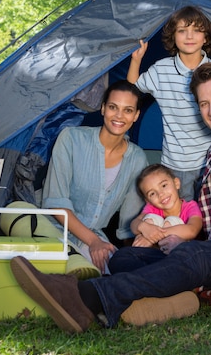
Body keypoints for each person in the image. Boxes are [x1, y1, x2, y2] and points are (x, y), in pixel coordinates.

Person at [9, 62, 211, 333]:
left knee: (192, 253)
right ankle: (180, 298)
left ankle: (89, 297)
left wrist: (200, 247)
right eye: (204, 104)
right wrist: (168, 237)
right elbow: (203, 222)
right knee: (126, 257)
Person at [127, 5, 211, 201]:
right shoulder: (161, 70)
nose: (189, 36)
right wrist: (136, 60)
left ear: (206, 37)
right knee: (179, 218)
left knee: (209, 216)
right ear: (173, 37)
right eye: (182, 30)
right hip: (173, 164)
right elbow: (133, 87)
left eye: (197, 30)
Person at [41, 80, 148, 274]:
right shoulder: (71, 138)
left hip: (95, 239)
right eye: (113, 107)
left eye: (128, 110)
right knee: (74, 270)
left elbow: (129, 220)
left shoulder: (138, 158)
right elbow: (56, 204)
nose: (119, 116)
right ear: (103, 108)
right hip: (49, 228)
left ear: (136, 116)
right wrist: (93, 242)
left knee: (115, 274)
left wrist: (133, 258)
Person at [128, 164, 202, 252]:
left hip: (184, 254)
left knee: (171, 221)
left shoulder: (191, 206)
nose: (161, 194)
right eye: (152, 193)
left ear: (176, 183)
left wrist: (152, 236)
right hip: (156, 252)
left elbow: (192, 230)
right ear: (148, 200)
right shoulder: (152, 208)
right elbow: (134, 224)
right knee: (148, 221)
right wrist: (145, 228)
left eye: (163, 186)